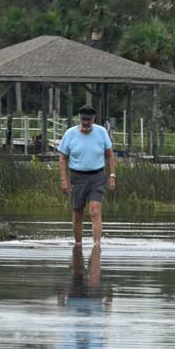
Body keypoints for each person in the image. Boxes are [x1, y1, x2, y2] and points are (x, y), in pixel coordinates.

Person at [58, 105, 116, 245]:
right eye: (83, 119)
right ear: (79, 118)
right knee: (78, 212)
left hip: (97, 177)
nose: (86, 122)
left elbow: (110, 155)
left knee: (95, 211)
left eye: (88, 120)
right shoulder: (70, 134)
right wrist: (64, 180)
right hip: (77, 177)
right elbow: (63, 158)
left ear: (93, 119)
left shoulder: (101, 132)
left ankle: (97, 245)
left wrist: (112, 176)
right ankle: (78, 245)